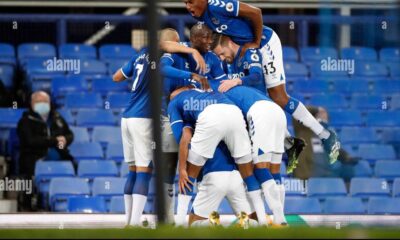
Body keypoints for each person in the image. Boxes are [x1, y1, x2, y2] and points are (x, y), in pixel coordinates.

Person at [184, 0, 340, 164]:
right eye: (185, 3)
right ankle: (291, 144)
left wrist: (256, 42)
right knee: (258, 101)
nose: (188, 6)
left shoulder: (218, 5)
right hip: (241, 52)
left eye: (190, 1)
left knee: (278, 97)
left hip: (264, 43)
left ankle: (325, 135)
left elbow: (255, 12)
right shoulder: (203, 20)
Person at [112, 28, 210, 227]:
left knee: (132, 171)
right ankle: (133, 225)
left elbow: (116, 77)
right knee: (144, 171)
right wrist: (191, 63)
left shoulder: (140, 55)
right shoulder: (163, 53)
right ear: (172, 43)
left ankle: (129, 222)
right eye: (177, 44)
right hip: (143, 117)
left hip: (127, 118)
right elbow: (165, 49)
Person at [211, 33, 305, 173]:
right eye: (219, 56)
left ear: (230, 43)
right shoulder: (226, 63)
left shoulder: (250, 51)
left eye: (222, 54)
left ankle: (288, 146)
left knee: (262, 162)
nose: (222, 58)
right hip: (245, 107)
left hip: (257, 103)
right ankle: (290, 143)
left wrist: (237, 81)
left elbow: (256, 75)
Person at [17, 90, 74, 210]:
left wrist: (65, 139)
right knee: (28, 176)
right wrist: (54, 141)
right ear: (32, 103)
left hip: (60, 157)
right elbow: (31, 141)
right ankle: (29, 206)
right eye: (39, 101)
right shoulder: (26, 121)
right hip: (34, 158)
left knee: (73, 165)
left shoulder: (57, 118)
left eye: (45, 101)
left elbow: (69, 134)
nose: (42, 104)